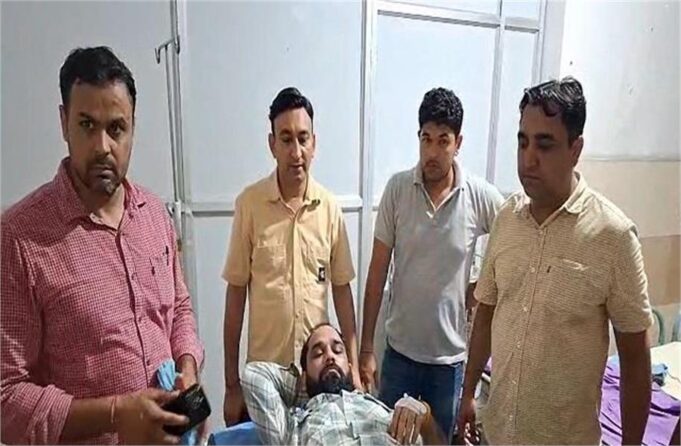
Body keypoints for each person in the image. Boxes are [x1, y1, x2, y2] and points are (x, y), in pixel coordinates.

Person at [1, 46, 204, 444]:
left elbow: (178, 309)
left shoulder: (154, 215)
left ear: (133, 128)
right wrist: (115, 414)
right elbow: (6, 397)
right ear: (64, 123)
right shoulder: (19, 238)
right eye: (87, 125)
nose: (102, 147)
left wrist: (188, 369)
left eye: (116, 128)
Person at [458, 77, 653, 444]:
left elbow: (635, 359)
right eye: (523, 142)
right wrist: (468, 393)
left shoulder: (612, 235)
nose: (528, 158)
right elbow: (485, 314)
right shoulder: (506, 219)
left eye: (544, 144)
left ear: (575, 149)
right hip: (496, 434)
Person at [359, 87, 503, 439]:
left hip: (448, 364)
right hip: (400, 355)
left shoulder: (477, 196)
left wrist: (480, 288)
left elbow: (514, 235)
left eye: (443, 141)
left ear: (458, 143)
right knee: (387, 440)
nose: (433, 152)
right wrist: (366, 349)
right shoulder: (398, 190)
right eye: (426, 139)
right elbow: (376, 275)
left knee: (441, 440)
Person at [222, 87, 360, 425]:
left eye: (302, 138)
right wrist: (231, 384)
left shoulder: (329, 209)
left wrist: (354, 367)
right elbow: (236, 295)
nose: (295, 152)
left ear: (314, 143)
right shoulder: (250, 205)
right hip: (264, 382)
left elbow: (342, 292)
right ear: (272, 144)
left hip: (316, 382)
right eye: (285, 139)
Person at [242, 323, 445, 445]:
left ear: (349, 367)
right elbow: (254, 375)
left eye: (338, 350)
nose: (330, 356)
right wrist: (303, 385)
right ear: (303, 378)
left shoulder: (388, 413)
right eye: (318, 353)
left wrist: (426, 417)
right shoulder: (292, 430)